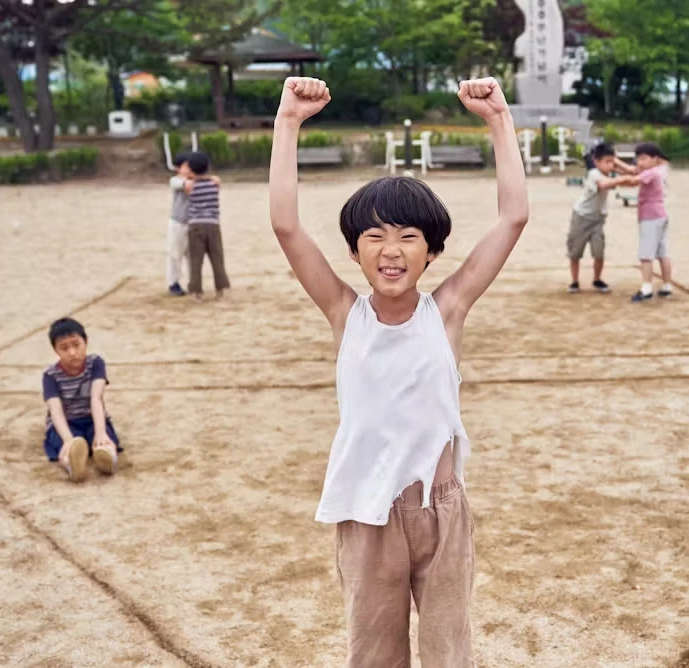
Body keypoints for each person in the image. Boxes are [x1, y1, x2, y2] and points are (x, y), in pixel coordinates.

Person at [269, 76, 528, 666]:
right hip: (367, 510)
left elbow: (513, 219)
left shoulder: (449, 309)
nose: (392, 249)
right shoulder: (344, 312)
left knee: (447, 652)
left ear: (431, 251)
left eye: (410, 236)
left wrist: (499, 121)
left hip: (441, 508)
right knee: (373, 653)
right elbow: (287, 227)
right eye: (375, 236)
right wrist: (288, 124)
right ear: (354, 251)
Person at [41, 318, 121, 482]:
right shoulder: (50, 375)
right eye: (64, 348)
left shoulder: (95, 363)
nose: (72, 352)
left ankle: (106, 457)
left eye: (76, 345)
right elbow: (56, 410)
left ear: (85, 342)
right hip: (66, 422)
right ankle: (72, 465)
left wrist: (100, 431)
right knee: (68, 447)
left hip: (91, 418)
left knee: (103, 440)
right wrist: (68, 439)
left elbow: (96, 398)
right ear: (56, 350)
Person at [567, 142, 628, 293]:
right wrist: (624, 179)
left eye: (612, 162)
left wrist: (616, 162)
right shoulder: (594, 173)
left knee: (599, 251)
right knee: (575, 252)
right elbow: (603, 184)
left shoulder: (609, 172)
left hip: (598, 219)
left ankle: (597, 279)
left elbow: (631, 171)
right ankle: (574, 281)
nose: (610, 165)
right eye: (607, 162)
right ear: (596, 161)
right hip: (582, 217)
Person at [615, 143, 673, 302]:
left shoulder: (652, 173)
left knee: (646, 254)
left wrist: (614, 181)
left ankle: (646, 288)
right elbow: (632, 170)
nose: (640, 162)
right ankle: (667, 285)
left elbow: (633, 180)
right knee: (662, 253)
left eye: (644, 158)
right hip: (660, 215)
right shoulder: (659, 169)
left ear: (655, 159)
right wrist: (616, 163)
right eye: (639, 158)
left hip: (650, 216)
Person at [183, 152, 230, 300]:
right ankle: (221, 289)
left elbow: (186, 184)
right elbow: (215, 179)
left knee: (196, 260)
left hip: (195, 225)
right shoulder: (215, 183)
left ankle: (196, 291)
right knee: (217, 258)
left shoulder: (190, 186)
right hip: (213, 225)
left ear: (191, 168)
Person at [166, 152, 192, 296]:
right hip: (178, 223)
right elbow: (185, 184)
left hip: (192, 223)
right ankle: (173, 282)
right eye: (186, 166)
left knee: (192, 255)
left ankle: (193, 282)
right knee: (175, 254)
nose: (189, 169)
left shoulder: (197, 180)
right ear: (178, 168)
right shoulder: (175, 180)